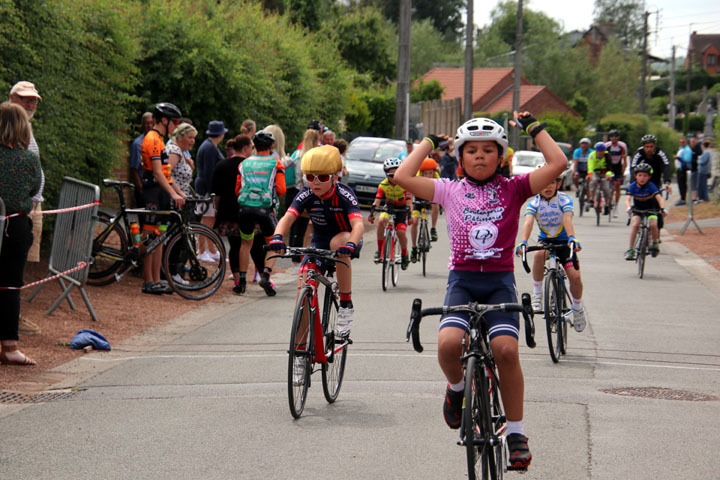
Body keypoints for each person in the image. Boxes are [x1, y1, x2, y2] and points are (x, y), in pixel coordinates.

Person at [394, 111, 568, 470]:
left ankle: (516, 432)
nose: (479, 156)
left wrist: (534, 129)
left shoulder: (515, 188)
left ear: (501, 157)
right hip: (462, 281)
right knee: (447, 346)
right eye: (471, 150)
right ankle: (457, 390)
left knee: (505, 350)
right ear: (459, 157)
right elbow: (402, 176)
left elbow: (558, 162)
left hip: (499, 282)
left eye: (488, 150)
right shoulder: (447, 189)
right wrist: (428, 142)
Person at [268, 145, 363, 344]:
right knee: (302, 295)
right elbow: (287, 217)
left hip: (346, 239)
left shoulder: (344, 194)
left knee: (338, 242)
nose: (315, 182)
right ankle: (301, 352)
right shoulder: (306, 194)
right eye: (310, 177)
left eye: (322, 177)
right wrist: (277, 237)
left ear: (334, 177)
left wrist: (352, 244)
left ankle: (346, 303)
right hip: (319, 243)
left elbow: (358, 224)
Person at [516, 170, 586, 331]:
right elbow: (528, 223)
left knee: (575, 277)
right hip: (546, 242)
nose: (548, 186)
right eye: (544, 183)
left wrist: (572, 238)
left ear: (558, 184)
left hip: (565, 242)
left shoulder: (564, 199)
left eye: (552, 182)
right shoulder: (534, 203)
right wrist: (524, 242)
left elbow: (567, 219)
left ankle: (577, 309)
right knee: (539, 254)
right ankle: (538, 294)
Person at [0, 102, 42, 365]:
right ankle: (9, 346)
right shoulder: (28, 160)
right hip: (14, 226)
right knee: (9, 285)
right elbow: (34, 190)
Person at [8, 81, 43, 335]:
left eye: (33, 100)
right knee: (11, 266)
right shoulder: (9, 128)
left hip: (32, 206)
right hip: (17, 208)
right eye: (24, 99)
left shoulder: (27, 127)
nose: (30, 104)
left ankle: (16, 317)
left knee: (23, 264)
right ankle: (11, 320)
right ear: (11, 98)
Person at [139, 102, 184, 294]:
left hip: (161, 193)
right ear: (164, 120)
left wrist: (180, 192)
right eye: (174, 122)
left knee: (160, 238)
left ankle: (157, 279)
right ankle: (148, 281)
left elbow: (166, 174)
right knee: (150, 238)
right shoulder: (153, 139)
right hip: (153, 193)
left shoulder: (159, 139)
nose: (175, 126)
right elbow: (157, 173)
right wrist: (173, 193)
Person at [234, 130, 286, 295]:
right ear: (271, 146)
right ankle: (266, 276)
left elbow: (237, 190)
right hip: (265, 209)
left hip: (245, 208)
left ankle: (241, 282)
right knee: (274, 244)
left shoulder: (244, 163)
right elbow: (282, 189)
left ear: (254, 146)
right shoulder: (276, 163)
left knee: (245, 243)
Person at [212, 134, 253, 294]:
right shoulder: (248, 165)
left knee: (234, 245)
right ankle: (251, 274)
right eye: (251, 147)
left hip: (228, 211)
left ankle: (236, 277)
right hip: (247, 209)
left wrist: (217, 210)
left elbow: (217, 193)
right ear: (245, 148)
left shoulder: (222, 165)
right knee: (247, 244)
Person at [368, 157, 413, 270]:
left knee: (401, 232)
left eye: (396, 174)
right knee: (381, 221)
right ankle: (379, 250)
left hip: (402, 209)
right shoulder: (383, 185)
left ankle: (404, 253)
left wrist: (410, 215)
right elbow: (377, 200)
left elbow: (409, 201)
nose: (394, 177)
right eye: (390, 175)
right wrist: (373, 213)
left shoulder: (404, 184)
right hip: (389, 207)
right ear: (386, 174)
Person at [195, 120, 227, 261]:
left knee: (210, 219)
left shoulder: (210, 146)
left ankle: (211, 249)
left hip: (207, 188)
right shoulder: (209, 148)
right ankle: (201, 250)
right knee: (206, 219)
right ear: (220, 134)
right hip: (206, 189)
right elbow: (209, 172)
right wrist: (212, 193)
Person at [288, 129, 320, 264]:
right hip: (305, 191)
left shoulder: (296, 154)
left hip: (293, 191)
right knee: (302, 226)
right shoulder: (312, 156)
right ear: (314, 141)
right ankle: (297, 255)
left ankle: (292, 251)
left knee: (292, 224)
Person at [630, 134, 672, 234]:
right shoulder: (639, 154)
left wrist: (667, 182)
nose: (649, 149)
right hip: (641, 182)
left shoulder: (660, 153)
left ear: (655, 146)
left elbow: (666, 166)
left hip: (655, 182)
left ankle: (657, 231)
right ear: (643, 147)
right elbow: (632, 168)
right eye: (647, 147)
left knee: (658, 207)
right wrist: (633, 183)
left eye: (652, 146)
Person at [624, 163, 666, 260]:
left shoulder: (651, 186)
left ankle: (655, 243)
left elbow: (659, 199)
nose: (642, 178)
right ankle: (631, 249)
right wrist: (628, 207)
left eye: (645, 176)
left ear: (649, 177)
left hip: (652, 209)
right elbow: (628, 199)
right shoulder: (632, 186)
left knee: (653, 224)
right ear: (635, 176)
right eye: (640, 175)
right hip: (638, 209)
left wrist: (663, 209)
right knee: (635, 225)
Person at [409, 157, 440, 263]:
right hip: (419, 197)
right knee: (415, 222)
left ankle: (433, 229)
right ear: (421, 173)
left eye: (430, 173)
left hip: (431, 196)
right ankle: (413, 248)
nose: (428, 176)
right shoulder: (417, 177)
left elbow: (440, 192)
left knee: (436, 205)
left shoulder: (437, 178)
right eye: (425, 173)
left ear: (434, 172)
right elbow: (412, 191)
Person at [129, 112, 154, 207]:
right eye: (146, 123)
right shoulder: (137, 144)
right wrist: (140, 189)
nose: (149, 125)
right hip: (144, 186)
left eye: (151, 123)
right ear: (143, 125)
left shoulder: (158, 140)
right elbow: (134, 168)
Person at [167, 122, 197, 198]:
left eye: (194, 138)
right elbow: (166, 174)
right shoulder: (174, 151)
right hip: (176, 200)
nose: (193, 141)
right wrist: (180, 193)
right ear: (180, 137)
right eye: (190, 137)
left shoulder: (181, 151)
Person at [604, 129, 627, 217]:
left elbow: (624, 160)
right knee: (606, 186)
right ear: (609, 138)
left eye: (615, 136)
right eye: (612, 136)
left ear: (618, 137)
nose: (613, 138)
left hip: (618, 168)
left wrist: (623, 171)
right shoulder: (607, 146)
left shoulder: (622, 146)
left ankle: (616, 206)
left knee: (617, 187)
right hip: (608, 167)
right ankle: (606, 203)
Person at [587, 142, 613, 215]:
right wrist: (590, 174)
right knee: (593, 181)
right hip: (595, 172)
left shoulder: (608, 155)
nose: (600, 153)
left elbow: (610, 167)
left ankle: (607, 204)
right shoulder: (592, 155)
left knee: (606, 188)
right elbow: (590, 166)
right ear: (596, 151)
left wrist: (608, 174)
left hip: (605, 172)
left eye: (602, 151)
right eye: (599, 151)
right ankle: (592, 199)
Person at [572, 137, 593, 202]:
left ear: (589, 145)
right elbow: (575, 162)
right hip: (579, 168)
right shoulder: (577, 151)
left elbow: (592, 164)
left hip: (588, 169)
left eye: (586, 144)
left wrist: (591, 174)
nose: (584, 145)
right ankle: (578, 188)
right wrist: (574, 171)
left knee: (589, 184)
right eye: (582, 144)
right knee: (575, 176)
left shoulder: (592, 152)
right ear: (580, 145)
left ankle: (589, 199)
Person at [673, 136, 692, 206]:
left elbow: (686, 161)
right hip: (679, 169)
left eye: (683, 142)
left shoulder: (687, 150)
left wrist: (677, 157)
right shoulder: (681, 149)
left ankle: (683, 200)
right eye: (680, 142)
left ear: (686, 142)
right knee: (680, 185)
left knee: (682, 185)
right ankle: (682, 198)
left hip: (683, 170)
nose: (681, 143)